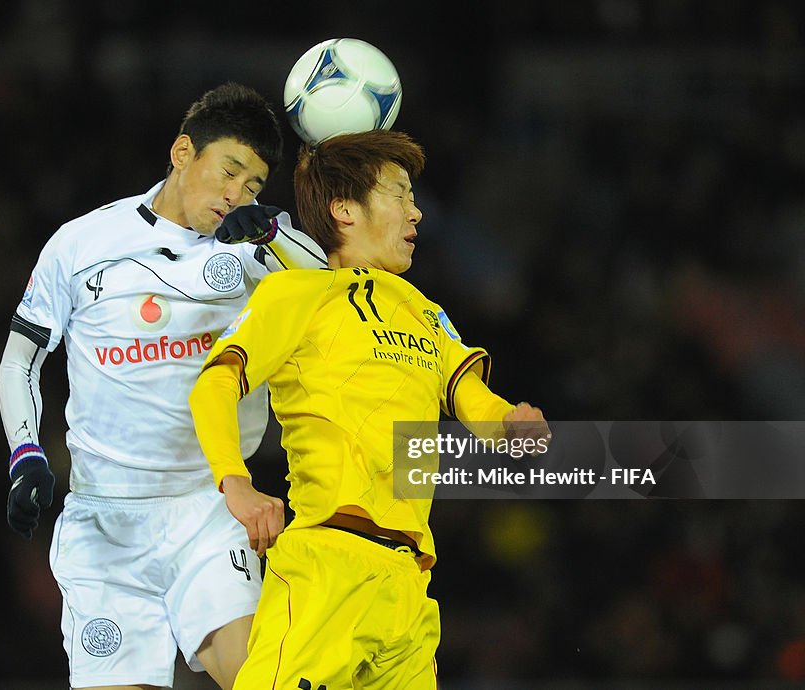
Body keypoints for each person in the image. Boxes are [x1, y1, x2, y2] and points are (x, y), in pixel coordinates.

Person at [188, 129, 551, 689]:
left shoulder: (425, 311)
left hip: (408, 587)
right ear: (344, 210)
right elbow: (214, 383)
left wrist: (509, 424)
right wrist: (234, 482)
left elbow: (467, 395)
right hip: (329, 564)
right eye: (400, 194)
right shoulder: (297, 294)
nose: (417, 213)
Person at [0, 82, 326, 690]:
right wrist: (26, 454)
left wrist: (273, 234)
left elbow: (339, 290)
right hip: (106, 520)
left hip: (211, 508)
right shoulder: (81, 244)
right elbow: (19, 362)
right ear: (182, 153)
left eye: (253, 184)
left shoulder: (258, 245)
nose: (237, 194)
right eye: (229, 171)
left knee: (262, 681)